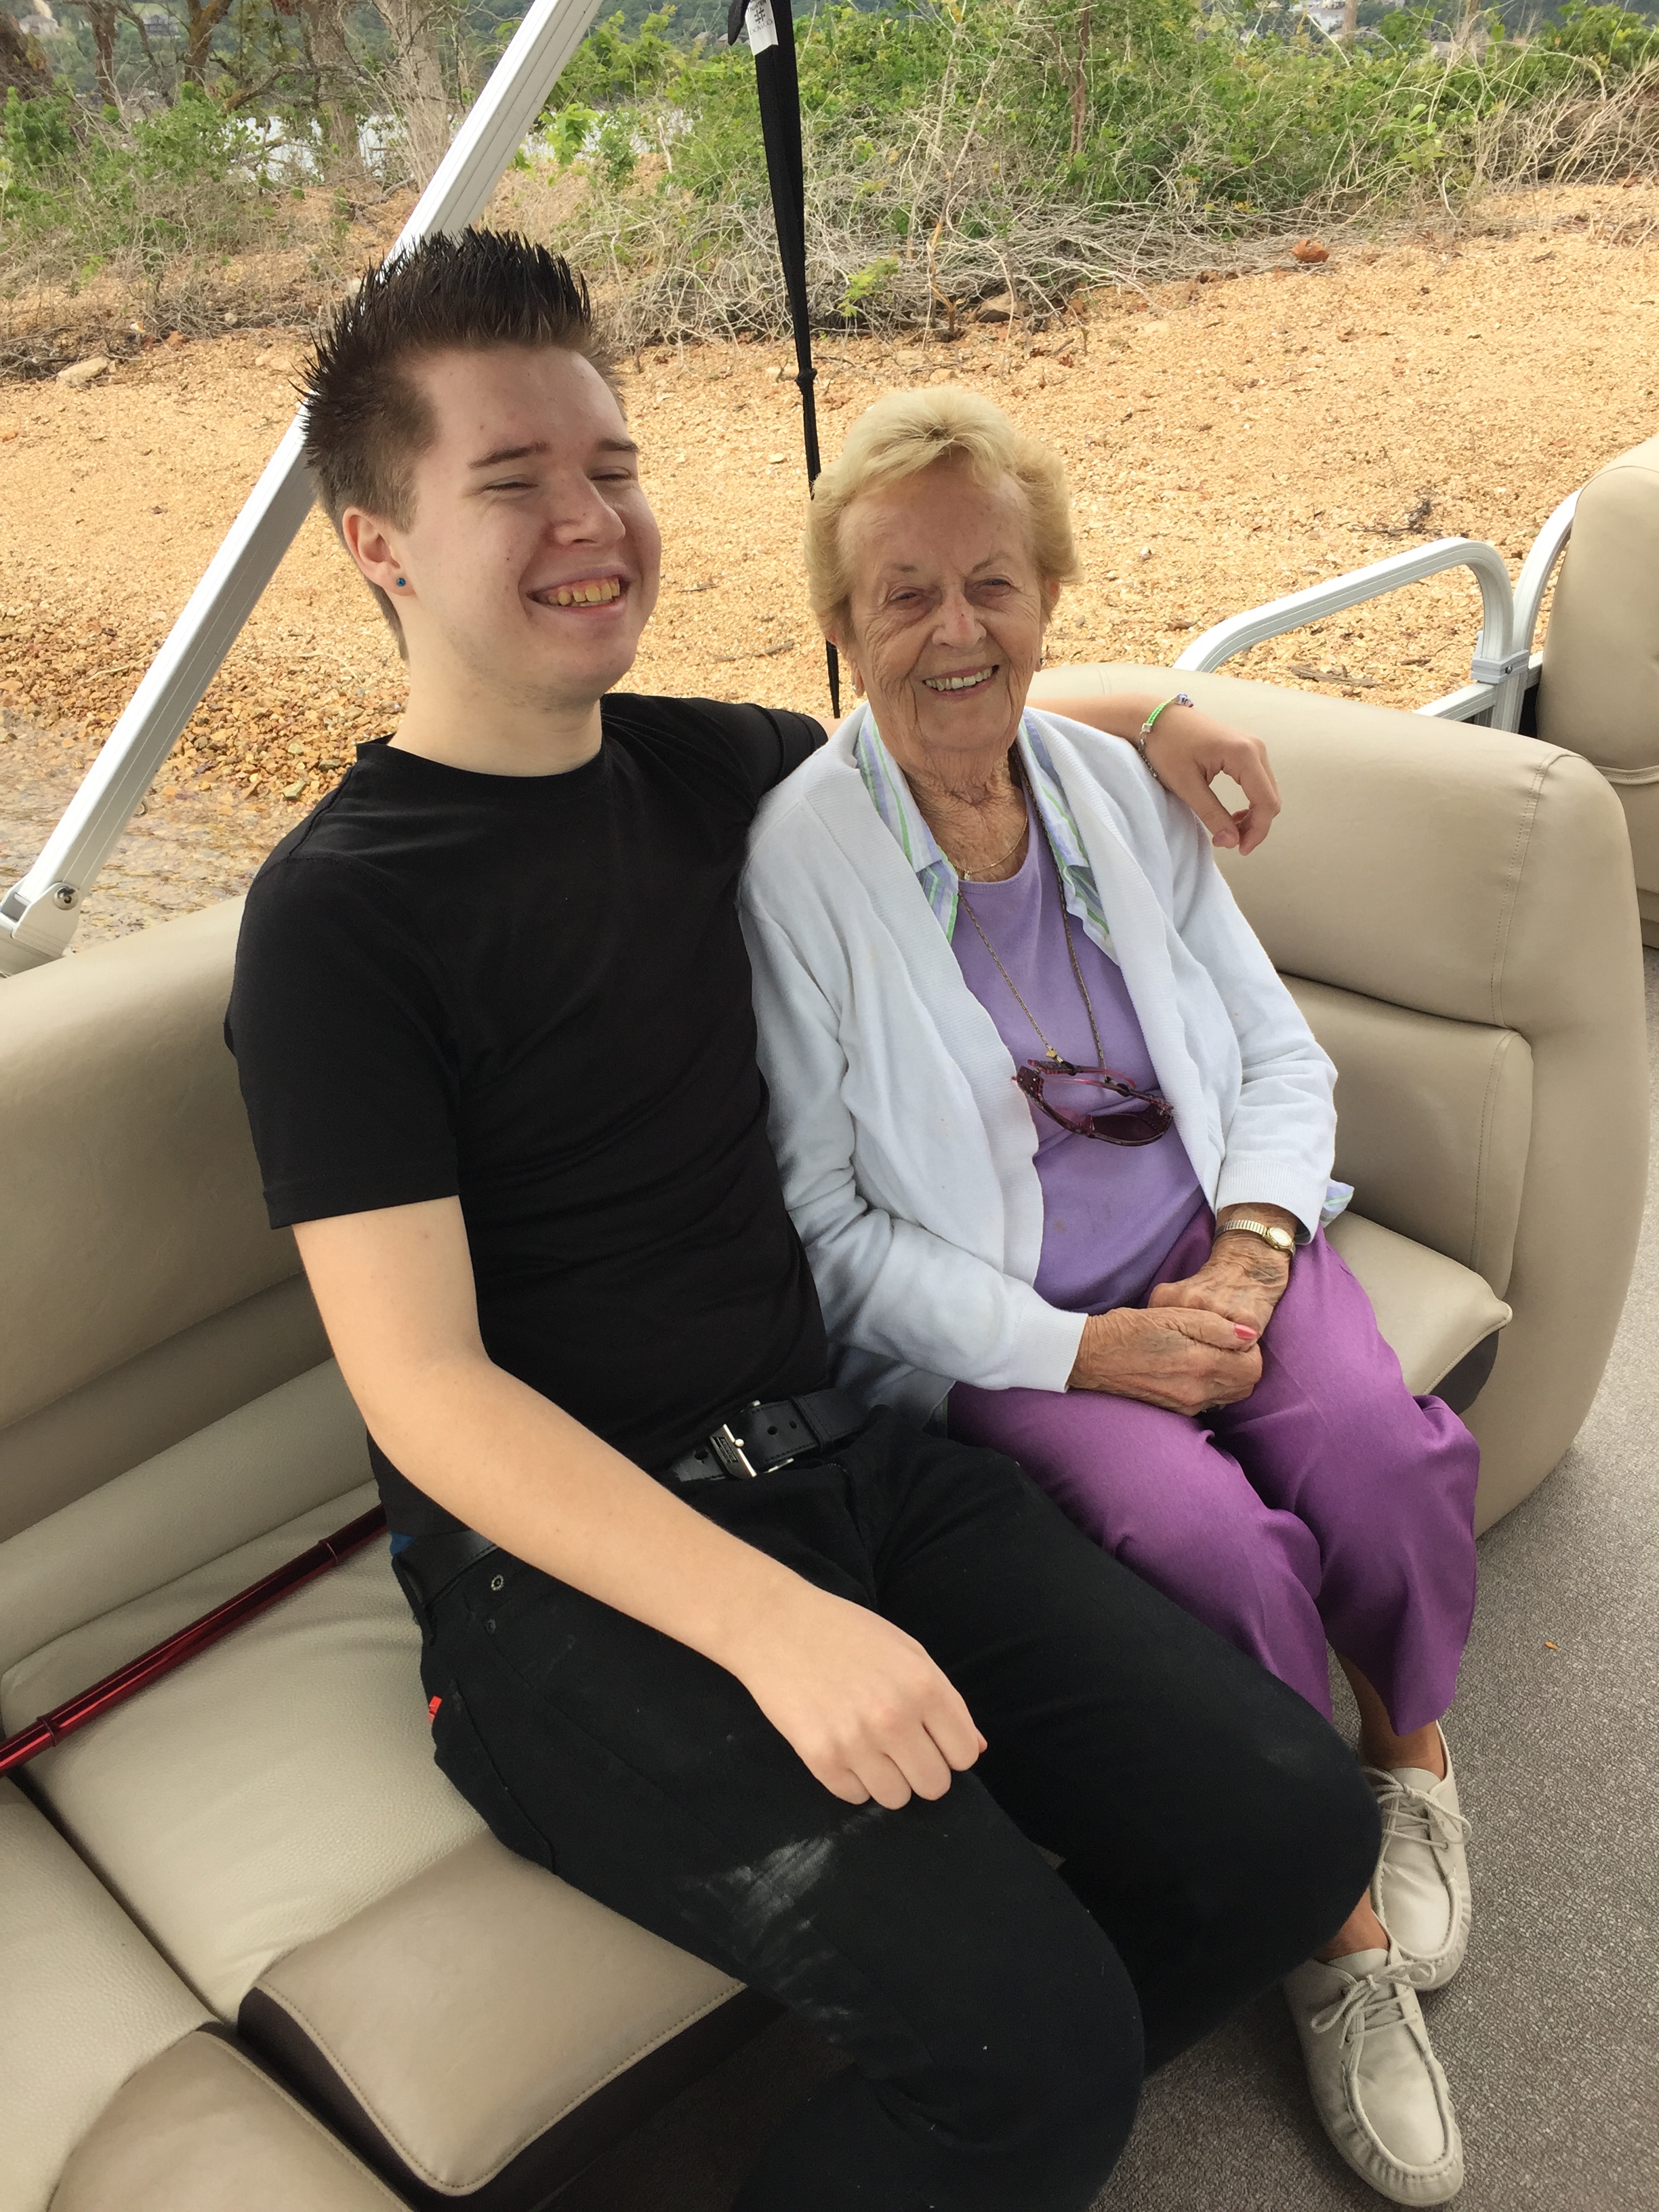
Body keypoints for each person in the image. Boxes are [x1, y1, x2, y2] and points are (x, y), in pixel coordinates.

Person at [226, 229, 1379, 2212]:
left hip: (845, 1462)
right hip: (570, 1596)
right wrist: (772, 1628)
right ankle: (1014, 2078)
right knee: (1041, 2066)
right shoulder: (342, 920)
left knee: (1300, 1832)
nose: (592, 522)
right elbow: (422, 1388)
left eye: (614, 467)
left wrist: (1162, 707)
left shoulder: (710, 772)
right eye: (514, 482)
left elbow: (952, 698)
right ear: (378, 545)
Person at [739, 387, 1480, 2208]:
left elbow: (1276, 1058)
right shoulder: (800, 869)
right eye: (903, 595)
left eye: (992, 583)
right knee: (1206, 1546)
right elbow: (827, 1232)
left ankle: (1410, 1750)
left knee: (1377, 1456)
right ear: (840, 627)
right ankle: (1333, 1922)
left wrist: (1255, 1247)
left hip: (1222, 1245)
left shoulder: (1104, 788)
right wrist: (1085, 1348)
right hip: (1016, 1332)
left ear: (1050, 598)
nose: (955, 631)